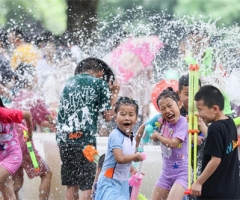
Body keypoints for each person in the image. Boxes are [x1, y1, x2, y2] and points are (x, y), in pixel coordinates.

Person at [56, 58, 120, 200]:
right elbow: (108, 116)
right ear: (101, 73)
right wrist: (114, 92)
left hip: (64, 139)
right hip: (85, 141)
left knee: (71, 184)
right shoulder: (100, 84)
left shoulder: (69, 82)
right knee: (87, 183)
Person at [11, 63, 55, 200]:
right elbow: (48, 120)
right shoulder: (35, 98)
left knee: (16, 183)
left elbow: (41, 122)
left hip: (12, 144)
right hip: (27, 146)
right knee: (46, 173)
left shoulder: (16, 97)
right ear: (30, 77)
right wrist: (60, 126)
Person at [191, 85, 240, 199]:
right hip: (230, 191)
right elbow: (219, 143)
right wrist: (203, 126)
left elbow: (216, 160)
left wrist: (198, 182)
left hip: (214, 192)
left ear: (215, 109)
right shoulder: (230, 123)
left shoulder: (215, 128)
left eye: (200, 109)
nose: (199, 113)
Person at [95, 97, 143, 200]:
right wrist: (135, 156)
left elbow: (127, 157)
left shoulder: (132, 138)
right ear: (115, 117)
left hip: (123, 183)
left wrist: (132, 169)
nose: (127, 118)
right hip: (109, 182)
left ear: (135, 119)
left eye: (131, 114)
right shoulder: (115, 135)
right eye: (122, 114)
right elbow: (120, 159)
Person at [145, 87, 188, 200]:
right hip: (166, 174)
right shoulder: (162, 122)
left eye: (170, 106)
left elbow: (174, 143)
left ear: (179, 104)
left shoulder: (183, 122)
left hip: (182, 173)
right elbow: (144, 127)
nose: (167, 111)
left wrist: (158, 136)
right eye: (163, 108)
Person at [0, 97, 33, 200]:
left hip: (12, 155)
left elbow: (27, 114)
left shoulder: (5, 113)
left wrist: (30, 135)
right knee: (8, 195)